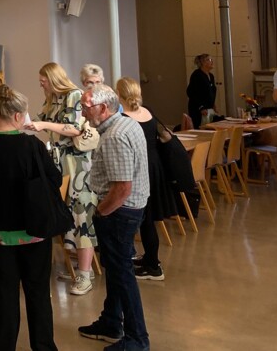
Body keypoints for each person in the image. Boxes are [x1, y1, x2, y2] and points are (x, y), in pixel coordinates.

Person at [0, 84, 60, 351]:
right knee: (38, 292)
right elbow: (54, 179)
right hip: (33, 229)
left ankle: (4, 345)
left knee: (5, 293)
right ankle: (43, 347)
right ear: (19, 116)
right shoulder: (32, 145)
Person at [78, 85, 150, 351]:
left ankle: (137, 339)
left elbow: (122, 188)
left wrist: (101, 211)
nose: (83, 113)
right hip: (130, 208)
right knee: (116, 270)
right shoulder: (127, 124)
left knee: (122, 274)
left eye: (86, 107)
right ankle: (111, 322)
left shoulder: (114, 137)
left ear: (102, 108)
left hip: (119, 212)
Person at [26, 62, 98, 296]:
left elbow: (74, 128)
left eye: (43, 81)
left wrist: (43, 125)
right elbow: (39, 120)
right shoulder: (52, 99)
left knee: (81, 215)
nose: (41, 85)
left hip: (78, 164)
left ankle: (85, 274)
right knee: (66, 214)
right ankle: (81, 267)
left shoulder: (73, 95)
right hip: (60, 163)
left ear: (53, 79)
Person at [118, 77, 174, 281]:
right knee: (148, 218)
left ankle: (153, 266)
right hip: (154, 165)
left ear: (119, 95)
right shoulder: (148, 112)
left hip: (138, 168)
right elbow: (166, 136)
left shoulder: (124, 118)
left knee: (145, 219)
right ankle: (150, 257)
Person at [186, 54, 216, 127]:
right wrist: (201, 107)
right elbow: (191, 92)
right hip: (198, 109)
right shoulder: (197, 75)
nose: (212, 62)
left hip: (209, 109)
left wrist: (213, 105)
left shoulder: (211, 76)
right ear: (203, 62)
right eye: (209, 60)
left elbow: (211, 92)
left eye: (211, 59)